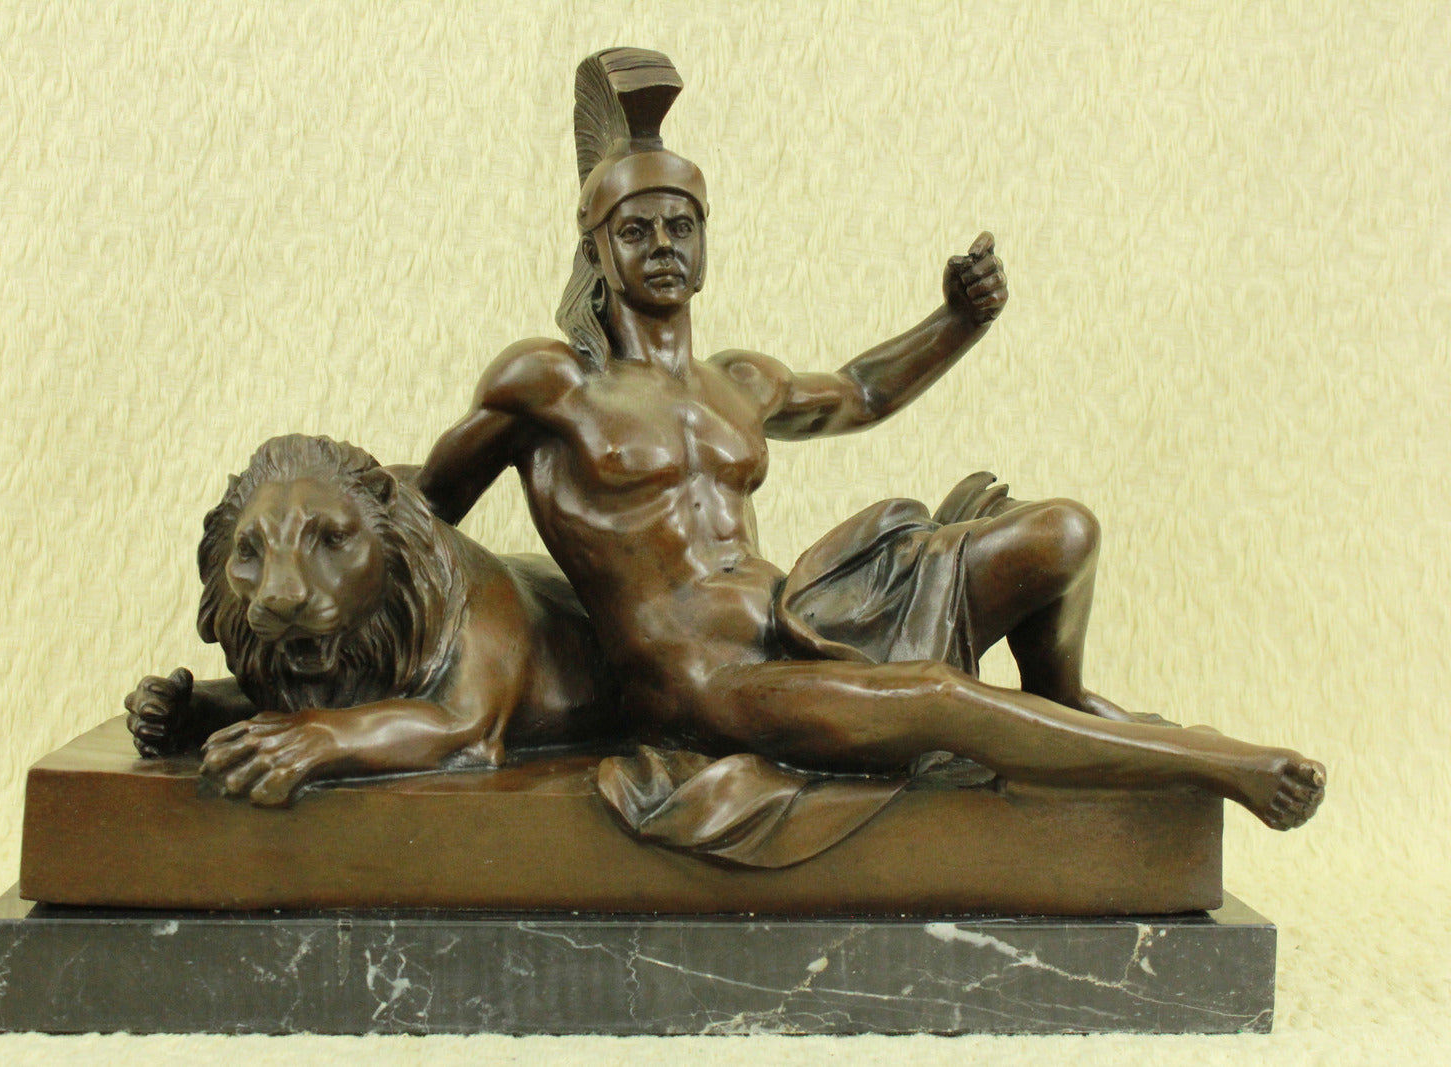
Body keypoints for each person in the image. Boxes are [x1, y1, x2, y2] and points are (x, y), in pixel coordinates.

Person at [415, 50, 1324, 834]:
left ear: (706, 241)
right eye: (636, 230)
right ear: (597, 252)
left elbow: (858, 392)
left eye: (681, 225)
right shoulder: (549, 384)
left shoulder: (740, 381)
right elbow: (424, 510)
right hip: (706, 684)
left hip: (806, 619)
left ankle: (1064, 697)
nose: (663, 244)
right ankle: (1215, 764)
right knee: (937, 699)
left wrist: (957, 321)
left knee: (1064, 533)